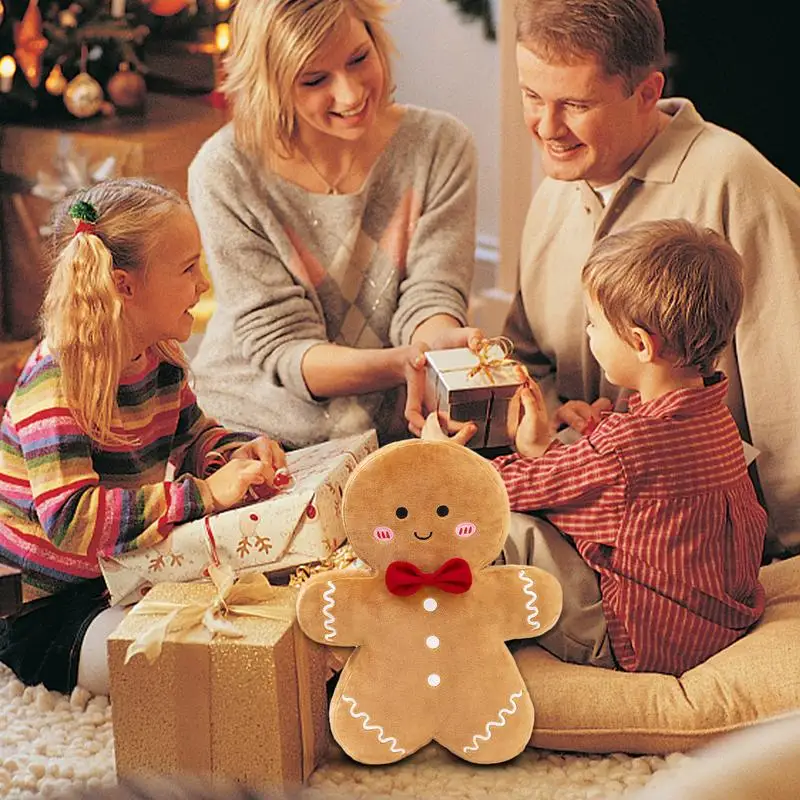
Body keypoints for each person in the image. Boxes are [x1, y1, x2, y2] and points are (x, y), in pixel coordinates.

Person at [505, 0, 800, 556]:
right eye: (532, 97)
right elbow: (529, 356)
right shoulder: (554, 193)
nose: (547, 128)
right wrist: (555, 412)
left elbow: (792, 408)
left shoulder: (738, 186)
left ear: (646, 92)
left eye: (575, 103)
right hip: (587, 528)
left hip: (708, 551)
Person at [427, 219, 767, 675]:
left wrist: (442, 461)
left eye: (594, 324)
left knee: (511, 528)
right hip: (710, 621)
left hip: (638, 639)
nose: (589, 335)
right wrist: (546, 447)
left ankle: (447, 647)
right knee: (563, 460)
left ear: (642, 345)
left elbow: (507, 492)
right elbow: (616, 488)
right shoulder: (713, 416)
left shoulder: (625, 447)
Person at [0, 179, 287, 696]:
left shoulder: (157, 358)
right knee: (179, 665)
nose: (201, 285)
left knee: (265, 619)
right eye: (187, 269)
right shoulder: (57, 380)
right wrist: (204, 495)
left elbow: (193, 435)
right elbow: (70, 520)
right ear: (125, 286)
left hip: (132, 572)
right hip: (50, 610)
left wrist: (231, 453)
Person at [187, 0, 482, 449]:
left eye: (359, 58)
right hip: (251, 434)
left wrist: (436, 344)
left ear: (374, 34)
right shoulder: (225, 170)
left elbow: (432, 294)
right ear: (273, 84)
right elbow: (282, 346)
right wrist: (402, 363)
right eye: (314, 79)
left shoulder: (439, 146)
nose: (350, 94)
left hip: (389, 436)